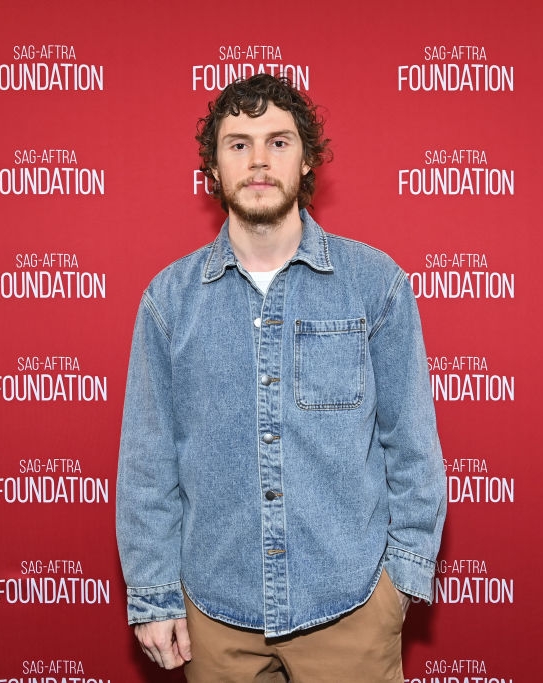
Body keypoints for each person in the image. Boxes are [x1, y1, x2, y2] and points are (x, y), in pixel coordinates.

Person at [116, 73, 446, 682]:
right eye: (238, 144)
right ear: (213, 169)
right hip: (216, 619)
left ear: (307, 160)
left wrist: (401, 581)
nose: (259, 160)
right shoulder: (168, 302)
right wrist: (155, 595)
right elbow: (148, 465)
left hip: (351, 611)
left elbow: (413, 446)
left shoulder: (376, 285)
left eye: (278, 142)